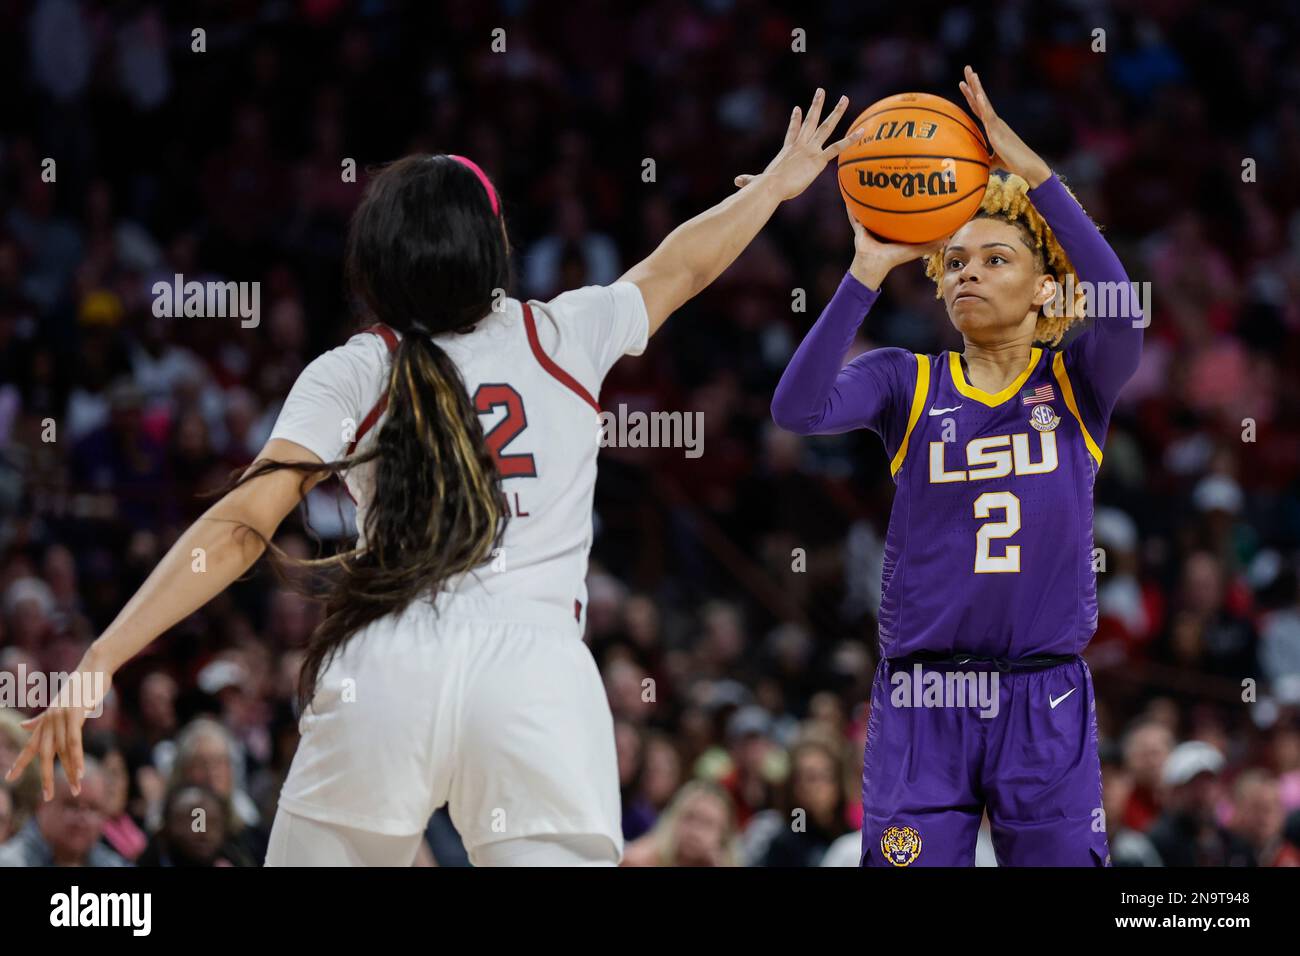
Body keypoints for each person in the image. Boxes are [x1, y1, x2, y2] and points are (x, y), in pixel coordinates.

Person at [7, 89, 864, 866]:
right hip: (537, 677)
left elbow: (237, 530)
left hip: (389, 663)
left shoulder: (355, 369)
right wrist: (773, 186)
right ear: (494, 249)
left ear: (378, 261)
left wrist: (102, 658)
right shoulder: (561, 334)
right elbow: (682, 264)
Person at [768, 67, 1143, 866]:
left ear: (1047, 289)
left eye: (996, 258)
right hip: (923, 697)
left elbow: (1119, 303)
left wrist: (1036, 178)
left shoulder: (1077, 384)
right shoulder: (906, 379)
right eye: (958, 261)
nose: (969, 271)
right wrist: (866, 270)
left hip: (1044, 693)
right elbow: (796, 411)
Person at [0, 758, 128, 867]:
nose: (82, 817)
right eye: (71, 805)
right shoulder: (9, 862)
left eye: (93, 808)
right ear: (42, 806)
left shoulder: (113, 863)